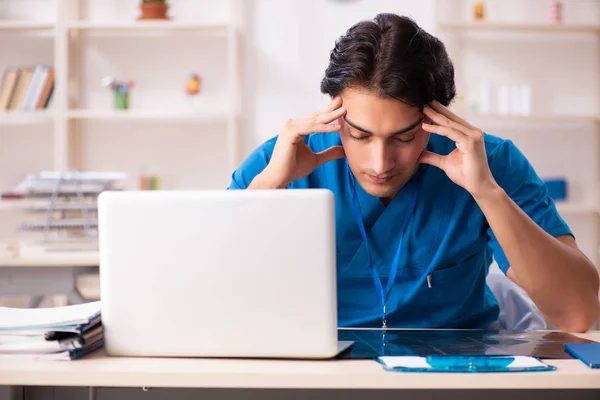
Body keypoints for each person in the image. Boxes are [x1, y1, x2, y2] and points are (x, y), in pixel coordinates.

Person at [228, 13, 600, 332]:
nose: (380, 164)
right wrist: (268, 187)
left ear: (436, 116)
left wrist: (487, 193)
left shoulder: (489, 163)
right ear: (333, 112)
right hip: (320, 372)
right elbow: (206, 292)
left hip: (456, 369)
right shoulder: (283, 160)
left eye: (404, 137)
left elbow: (578, 313)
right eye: (359, 135)